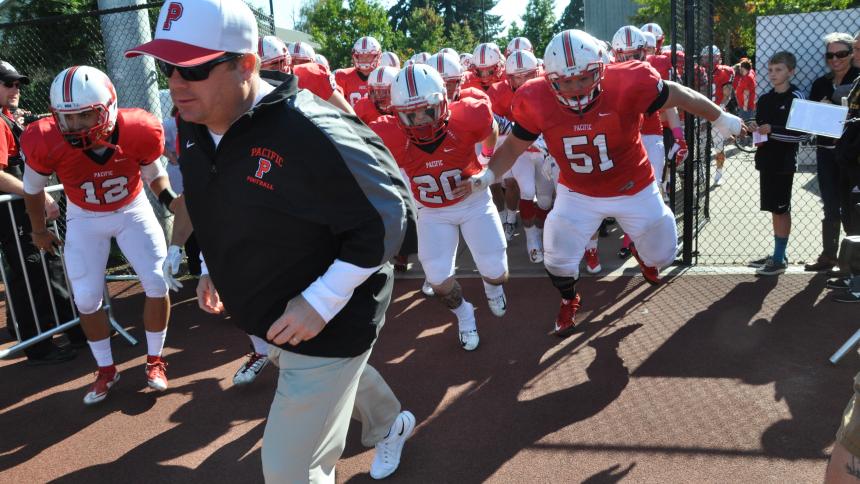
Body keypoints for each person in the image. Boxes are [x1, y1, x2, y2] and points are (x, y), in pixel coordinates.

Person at [126, 0, 416, 480]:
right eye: (166, 66)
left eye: (192, 69)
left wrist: (321, 301)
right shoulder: (194, 124)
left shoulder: (313, 128)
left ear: (246, 63)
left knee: (287, 470)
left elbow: (392, 218)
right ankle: (390, 424)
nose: (175, 83)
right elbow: (208, 203)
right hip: (271, 313)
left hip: (332, 318)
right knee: (341, 376)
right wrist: (211, 268)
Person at [457, 29, 744, 336]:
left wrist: (720, 117)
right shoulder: (535, 96)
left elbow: (679, 94)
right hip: (577, 193)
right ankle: (570, 299)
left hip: (633, 186)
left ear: (601, 68)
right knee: (556, 257)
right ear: (550, 78)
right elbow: (513, 145)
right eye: (566, 82)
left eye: (584, 78)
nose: (576, 88)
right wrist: (488, 174)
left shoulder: (628, 81)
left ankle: (645, 255)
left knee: (663, 254)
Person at [21, 66, 173, 404]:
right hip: (84, 217)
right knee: (87, 299)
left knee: (157, 281)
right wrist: (39, 229)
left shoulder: (138, 129)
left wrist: (170, 201)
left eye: (85, 117)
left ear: (108, 107)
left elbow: (154, 175)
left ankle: (154, 360)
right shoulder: (45, 138)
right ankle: (106, 370)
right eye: (67, 118)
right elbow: (33, 190)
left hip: (131, 210)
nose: (75, 128)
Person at [375, 64, 507, 352]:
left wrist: (484, 160)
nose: (419, 120)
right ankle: (464, 315)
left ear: (444, 102)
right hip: (432, 211)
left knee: (497, 272)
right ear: (396, 114)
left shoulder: (468, 115)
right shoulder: (388, 133)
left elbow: (492, 127)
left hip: (472, 201)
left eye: (426, 110)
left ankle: (492, 287)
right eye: (410, 114)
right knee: (436, 279)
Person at [0, 60, 81, 365]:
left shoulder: (8, 118)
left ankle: (72, 328)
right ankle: (39, 345)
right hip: (13, 215)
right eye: (8, 84)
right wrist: (36, 192)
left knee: (46, 266)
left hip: (21, 211)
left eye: (17, 84)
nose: (15, 89)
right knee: (32, 273)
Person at [745, 52, 806, 276]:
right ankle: (778, 253)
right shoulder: (765, 99)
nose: (773, 74)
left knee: (781, 209)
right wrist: (754, 128)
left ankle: (779, 259)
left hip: (784, 163)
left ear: (791, 71)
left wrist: (772, 130)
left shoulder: (796, 98)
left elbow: (801, 136)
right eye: (770, 70)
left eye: (779, 70)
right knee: (774, 209)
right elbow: (761, 131)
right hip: (767, 161)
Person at [807, 32, 860, 273]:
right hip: (826, 152)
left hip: (851, 156)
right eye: (830, 55)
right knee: (830, 204)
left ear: (851, 54)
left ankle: (850, 261)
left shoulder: (858, 80)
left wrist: (838, 111)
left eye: (841, 54)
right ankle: (829, 255)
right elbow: (808, 120)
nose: (835, 59)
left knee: (851, 205)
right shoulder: (820, 83)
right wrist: (821, 112)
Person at [700, 45, 735, 186]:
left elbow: (727, 95)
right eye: (706, 57)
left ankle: (719, 174)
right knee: (700, 147)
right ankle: (700, 173)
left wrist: (719, 108)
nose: (708, 60)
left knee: (719, 146)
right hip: (701, 113)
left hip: (717, 113)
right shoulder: (699, 72)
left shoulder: (725, 72)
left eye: (711, 57)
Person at [336, 36, 382, 107]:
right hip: (350, 117)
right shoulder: (343, 76)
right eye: (361, 56)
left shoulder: (383, 77)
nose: (364, 59)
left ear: (377, 56)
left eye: (368, 56)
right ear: (356, 56)